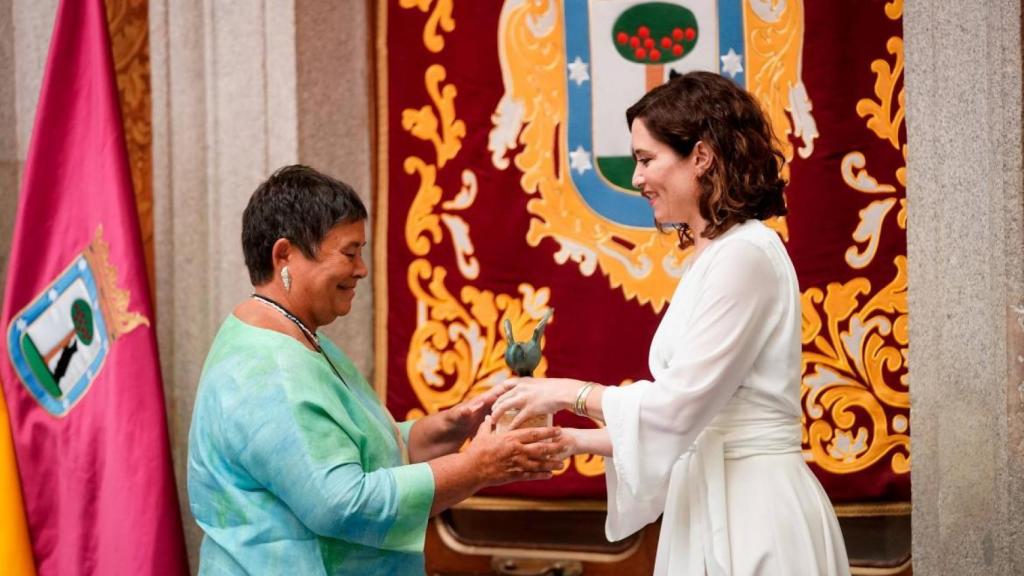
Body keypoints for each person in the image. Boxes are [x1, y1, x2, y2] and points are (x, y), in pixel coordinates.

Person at [491, 71, 850, 575]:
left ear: (700, 156)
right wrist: (571, 442)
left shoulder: (745, 255)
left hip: (755, 517)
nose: (636, 178)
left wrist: (564, 393)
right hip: (711, 500)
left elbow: (677, 408)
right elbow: (683, 422)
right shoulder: (718, 254)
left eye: (645, 159)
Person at [187, 165, 568, 575]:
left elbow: (355, 451)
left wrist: (452, 426)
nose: (362, 270)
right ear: (285, 255)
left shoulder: (297, 335)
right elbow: (343, 504)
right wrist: (477, 467)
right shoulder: (266, 369)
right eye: (349, 253)